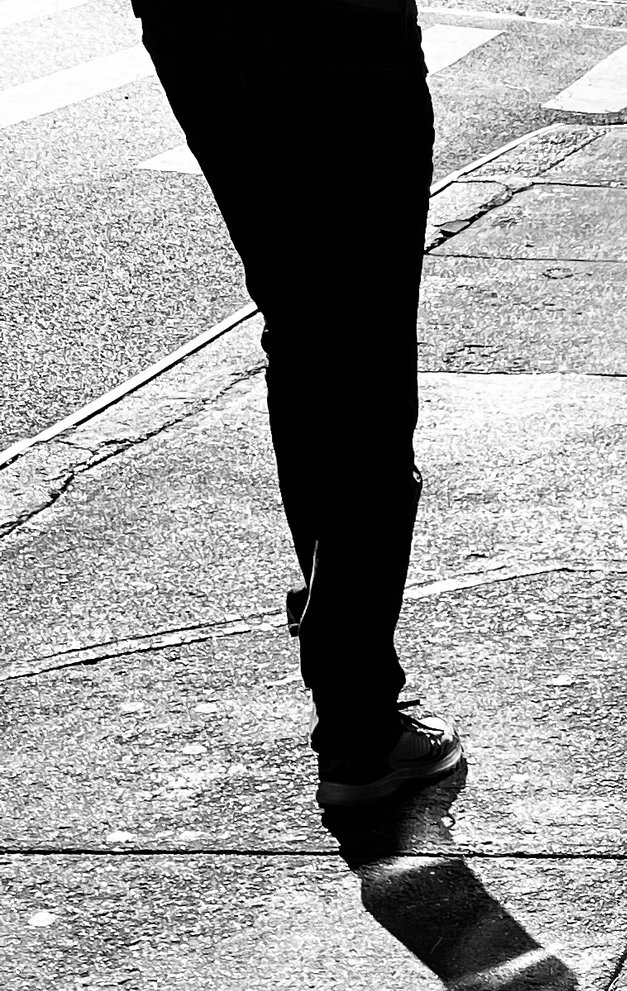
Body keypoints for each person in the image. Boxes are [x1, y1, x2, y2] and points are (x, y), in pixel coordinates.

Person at [133, 0, 461, 811]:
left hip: (191, 16)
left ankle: (346, 673)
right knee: (359, 354)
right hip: (331, 25)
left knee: (309, 332)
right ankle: (358, 720)